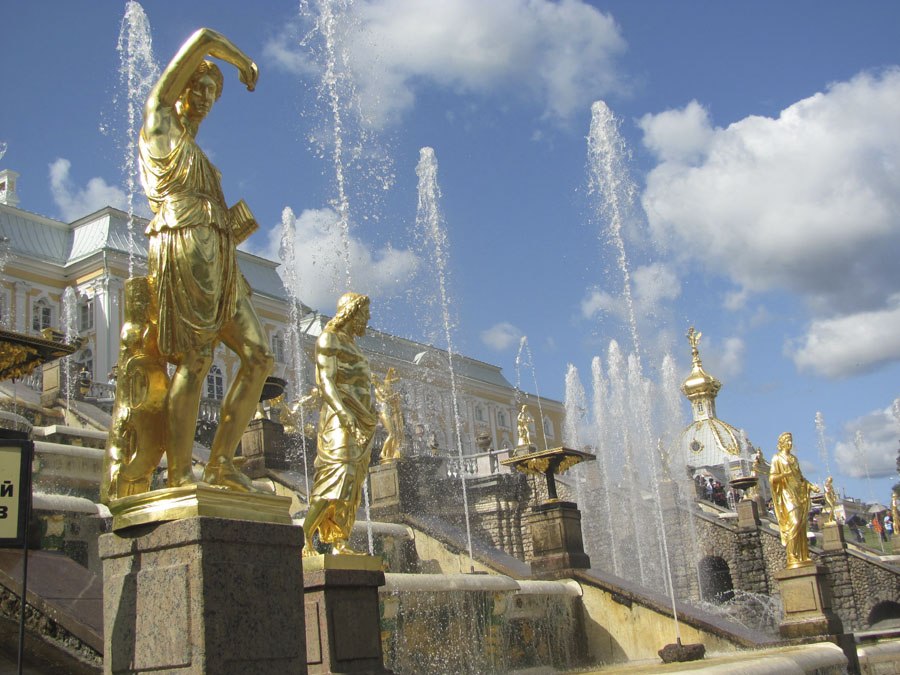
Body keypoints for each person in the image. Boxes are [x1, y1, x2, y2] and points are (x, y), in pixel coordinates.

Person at [136, 28, 272, 491]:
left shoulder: (200, 155)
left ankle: (220, 464)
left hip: (220, 255)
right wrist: (241, 61)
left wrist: (231, 225)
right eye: (199, 87)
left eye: (213, 92)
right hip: (183, 244)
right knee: (195, 358)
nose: (206, 98)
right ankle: (179, 475)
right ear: (180, 90)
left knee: (259, 356)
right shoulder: (159, 125)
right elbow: (203, 37)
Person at [303, 293, 378, 556]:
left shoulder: (353, 345)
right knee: (338, 473)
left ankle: (339, 541)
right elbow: (326, 382)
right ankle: (304, 537)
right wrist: (343, 413)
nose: (367, 319)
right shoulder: (329, 338)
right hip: (339, 416)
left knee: (353, 482)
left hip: (362, 418)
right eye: (364, 314)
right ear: (351, 313)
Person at [769, 431, 818, 568]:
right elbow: (772, 478)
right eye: (787, 441)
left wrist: (811, 486)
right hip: (787, 494)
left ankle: (802, 555)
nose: (790, 443)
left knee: (801, 525)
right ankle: (791, 554)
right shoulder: (777, 458)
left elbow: (800, 478)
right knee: (794, 522)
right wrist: (784, 475)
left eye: (791, 441)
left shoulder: (794, 459)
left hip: (798, 493)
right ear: (781, 443)